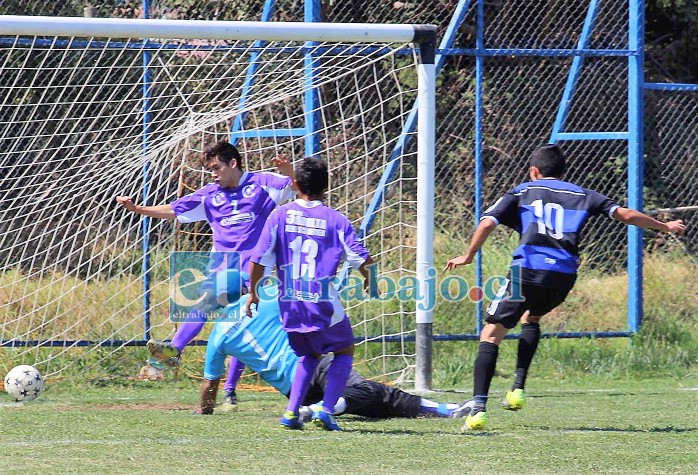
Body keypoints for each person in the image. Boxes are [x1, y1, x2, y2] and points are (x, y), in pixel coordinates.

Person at [444, 144, 686, 431]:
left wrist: (469, 254)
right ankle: (517, 388)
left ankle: (479, 408)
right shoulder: (583, 194)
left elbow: (487, 223)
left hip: (528, 270)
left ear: (534, 171)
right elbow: (628, 215)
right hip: (562, 275)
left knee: (491, 333)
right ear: (564, 172)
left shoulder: (522, 191)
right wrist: (666, 226)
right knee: (531, 317)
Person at [116, 140, 295, 407]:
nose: (212, 174)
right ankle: (193, 364)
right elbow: (175, 209)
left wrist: (289, 170)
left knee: (232, 320)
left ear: (233, 164)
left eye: (216, 168)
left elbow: (297, 186)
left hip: (255, 271)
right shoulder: (210, 194)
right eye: (209, 169)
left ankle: (187, 359)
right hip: (222, 266)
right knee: (226, 318)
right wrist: (139, 210)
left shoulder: (263, 184)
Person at [199, 271, 473, 421]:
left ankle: (443, 410)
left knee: (376, 407)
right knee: (371, 390)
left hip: (295, 392)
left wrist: (206, 408)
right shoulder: (267, 297)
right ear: (246, 286)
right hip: (314, 365)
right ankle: (444, 409)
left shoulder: (217, 337)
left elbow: (209, 384)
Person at [245, 157, 375, 431]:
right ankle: (326, 410)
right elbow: (361, 258)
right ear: (326, 186)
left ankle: (291, 413)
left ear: (294, 184)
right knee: (344, 348)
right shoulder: (336, 220)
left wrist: (253, 294)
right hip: (321, 301)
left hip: (289, 302)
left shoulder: (279, 215)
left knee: (309, 355)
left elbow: (257, 260)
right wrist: (369, 280)